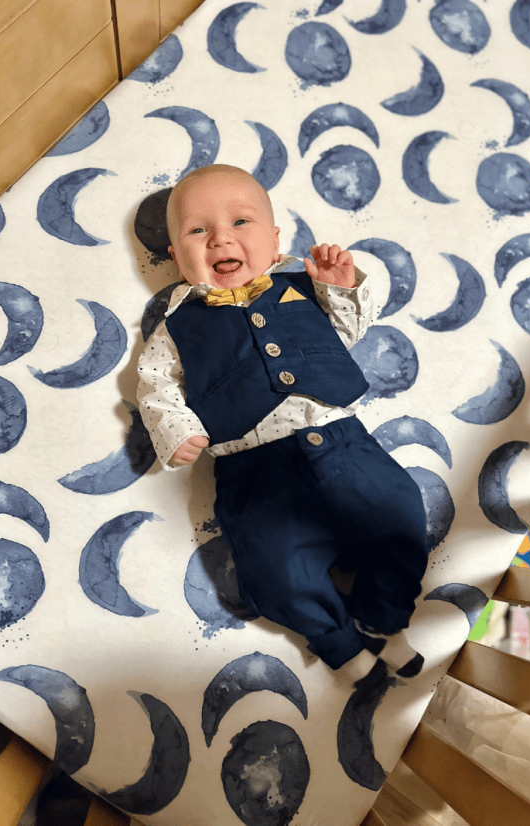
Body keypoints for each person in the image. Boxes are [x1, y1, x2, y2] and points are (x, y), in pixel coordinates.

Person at [137, 164, 428, 674]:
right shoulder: (176, 324)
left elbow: (349, 330)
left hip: (342, 443)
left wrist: (342, 287)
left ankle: (384, 616)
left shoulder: (300, 279)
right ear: (176, 257)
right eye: (198, 230)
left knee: (399, 512)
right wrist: (177, 430)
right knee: (274, 568)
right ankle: (337, 640)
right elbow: (156, 385)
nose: (220, 239)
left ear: (275, 241)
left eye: (240, 223)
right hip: (252, 473)